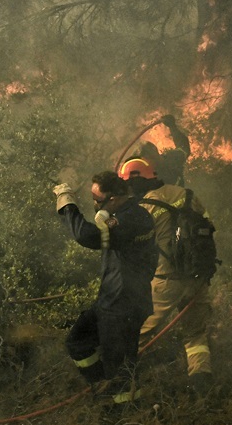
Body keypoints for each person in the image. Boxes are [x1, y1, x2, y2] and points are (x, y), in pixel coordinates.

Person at [53, 171, 156, 406]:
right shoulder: (123, 214)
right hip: (111, 300)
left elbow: (87, 235)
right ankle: (101, 384)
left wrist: (67, 205)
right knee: (77, 341)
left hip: (123, 304)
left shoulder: (131, 219)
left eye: (97, 200)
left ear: (114, 198)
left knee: (119, 368)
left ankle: (127, 416)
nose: (94, 204)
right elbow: (106, 227)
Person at [119, 157, 217, 395]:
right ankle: (201, 385)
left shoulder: (144, 208)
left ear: (134, 181)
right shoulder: (186, 194)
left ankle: (122, 387)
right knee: (195, 334)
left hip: (165, 282)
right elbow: (208, 223)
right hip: (197, 278)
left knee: (135, 334)